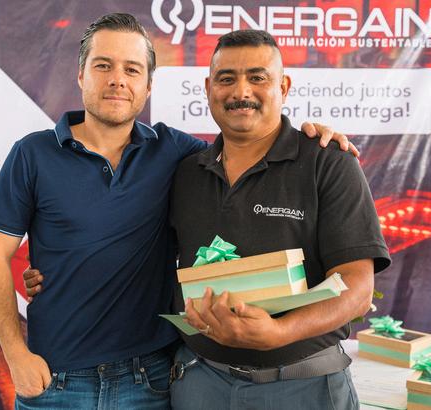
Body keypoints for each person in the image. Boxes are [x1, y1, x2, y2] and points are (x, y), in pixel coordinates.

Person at [0, 14, 357, 410]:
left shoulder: (177, 153)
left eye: (132, 69)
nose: (117, 80)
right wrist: (14, 354)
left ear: (148, 85)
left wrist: (313, 138)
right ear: (80, 75)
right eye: (103, 66)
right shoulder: (32, 154)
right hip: (55, 380)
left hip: (151, 381)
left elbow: (250, 148)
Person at [166, 30, 391, 409]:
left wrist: (279, 332)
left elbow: (356, 288)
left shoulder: (328, 162)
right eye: (226, 78)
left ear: (283, 87)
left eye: (257, 77)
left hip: (304, 387)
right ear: (208, 88)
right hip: (199, 383)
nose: (241, 92)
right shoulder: (186, 172)